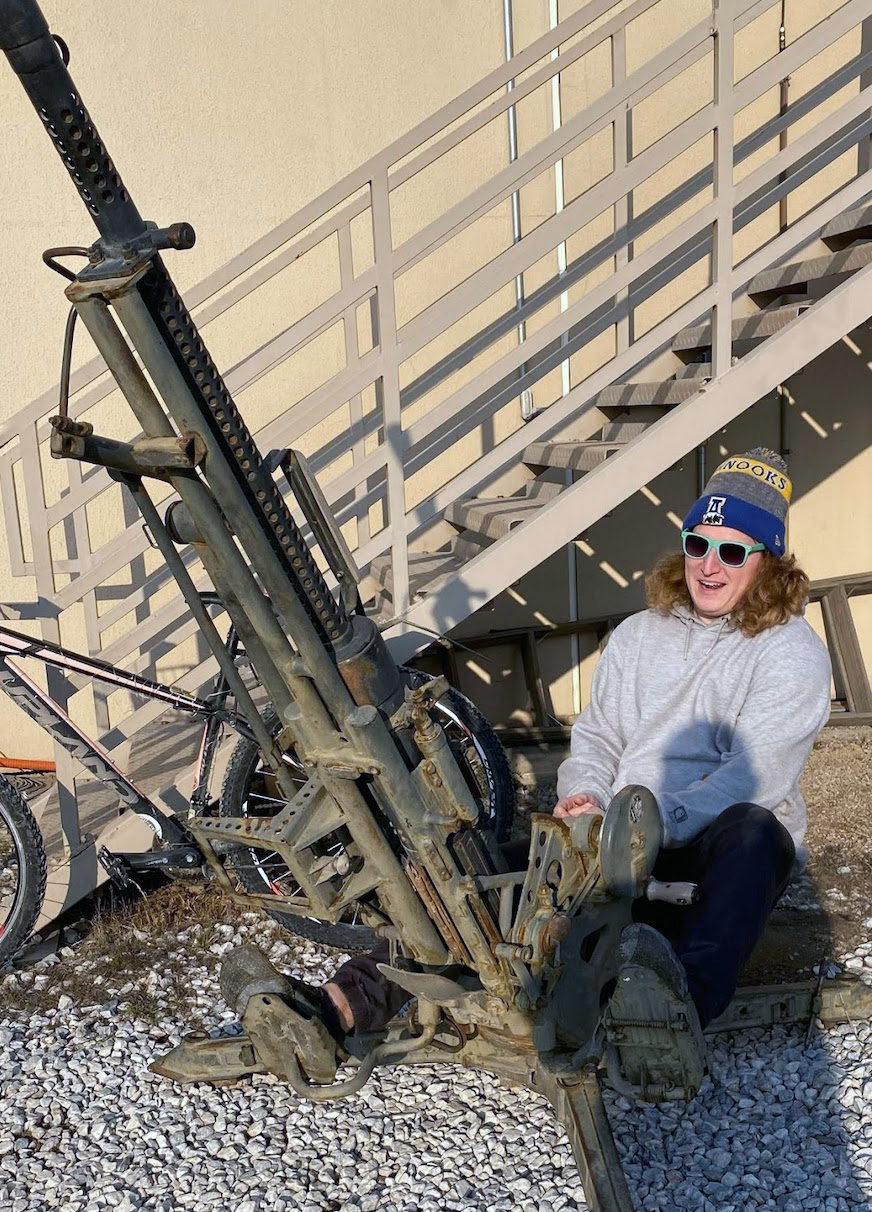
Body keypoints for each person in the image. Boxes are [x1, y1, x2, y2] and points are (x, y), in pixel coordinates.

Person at [223, 447, 832, 1096]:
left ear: (768, 562)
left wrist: (642, 828)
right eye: (697, 543)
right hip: (610, 838)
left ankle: (675, 1021)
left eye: (732, 552)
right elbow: (598, 736)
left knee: (756, 832)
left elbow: (752, 778)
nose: (709, 565)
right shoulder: (639, 636)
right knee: (475, 875)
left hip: (701, 846)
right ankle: (336, 1010)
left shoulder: (790, 653)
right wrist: (590, 796)